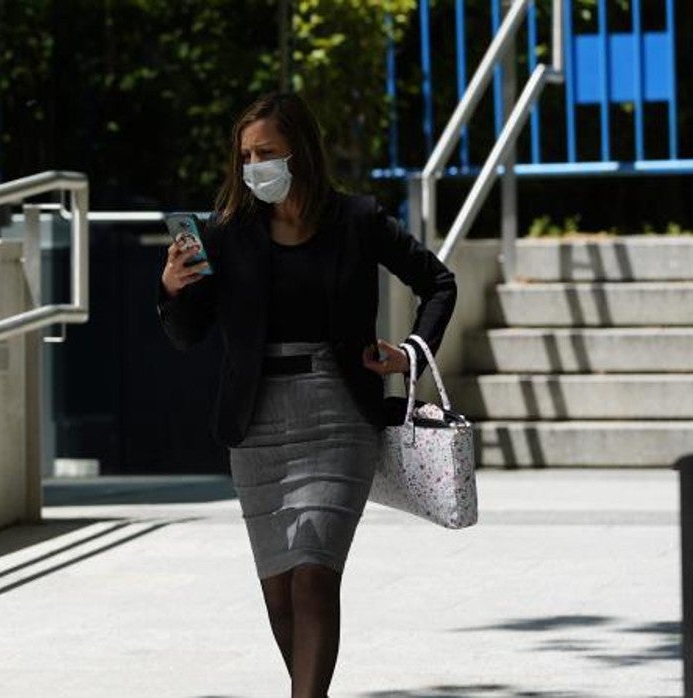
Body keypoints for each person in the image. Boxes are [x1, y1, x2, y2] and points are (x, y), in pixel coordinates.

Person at [157, 92, 456, 697]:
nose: (253, 165)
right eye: (245, 155)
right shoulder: (226, 234)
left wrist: (410, 353)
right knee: (280, 592)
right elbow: (189, 336)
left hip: (338, 414)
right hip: (257, 424)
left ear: (300, 151)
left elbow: (438, 282)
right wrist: (172, 290)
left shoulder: (358, 219)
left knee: (315, 575)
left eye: (266, 152)